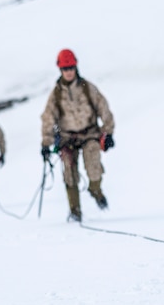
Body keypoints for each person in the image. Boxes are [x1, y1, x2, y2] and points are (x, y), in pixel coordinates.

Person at [40, 49, 115, 222]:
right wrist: (46, 143)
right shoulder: (56, 95)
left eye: (71, 67)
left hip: (90, 134)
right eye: (65, 68)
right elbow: (48, 118)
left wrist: (108, 132)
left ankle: (96, 191)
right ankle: (75, 211)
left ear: (76, 67)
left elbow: (104, 108)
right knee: (69, 173)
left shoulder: (88, 88)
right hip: (67, 138)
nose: (68, 71)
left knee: (94, 167)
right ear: (60, 69)